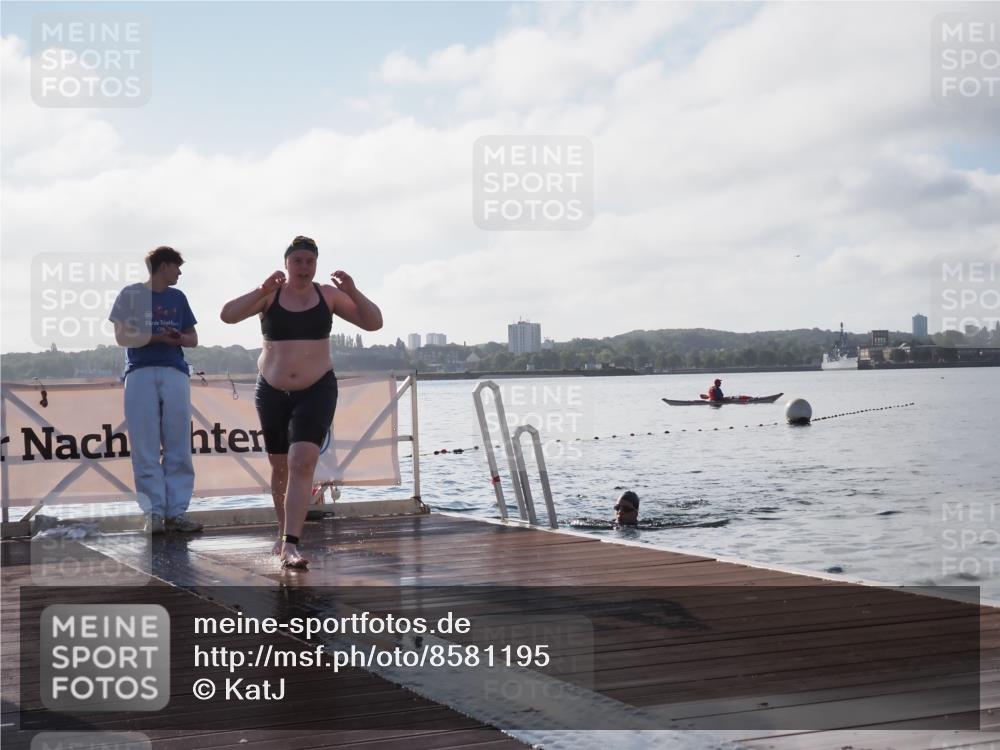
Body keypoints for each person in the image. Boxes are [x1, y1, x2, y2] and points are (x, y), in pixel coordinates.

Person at [220, 236, 382, 569]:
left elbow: (373, 322)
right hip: (272, 390)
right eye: (298, 261)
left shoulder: (328, 294)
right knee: (280, 466)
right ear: (287, 264)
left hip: (317, 387)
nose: (304, 268)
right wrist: (260, 288)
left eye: (310, 261)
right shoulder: (271, 294)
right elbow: (228, 316)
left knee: (303, 459)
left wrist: (353, 289)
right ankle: (284, 533)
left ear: (316, 265)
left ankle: (291, 545)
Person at [108, 246, 202, 534]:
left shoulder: (178, 298)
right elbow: (122, 336)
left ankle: (176, 512)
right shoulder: (131, 294)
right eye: (176, 266)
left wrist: (178, 338)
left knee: (178, 444)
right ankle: (154, 513)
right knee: (145, 444)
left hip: (174, 371)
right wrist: (156, 337)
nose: (180, 272)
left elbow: (193, 339)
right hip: (139, 372)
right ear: (163, 266)